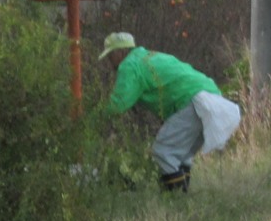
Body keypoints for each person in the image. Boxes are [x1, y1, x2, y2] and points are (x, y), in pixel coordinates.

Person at [100, 32, 241, 192]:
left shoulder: (130, 65)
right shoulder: (149, 57)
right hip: (211, 98)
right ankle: (181, 197)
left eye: (110, 56)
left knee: (164, 150)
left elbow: (119, 103)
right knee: (181, 154)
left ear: (119, 52)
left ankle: (175, 198)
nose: (110, 63)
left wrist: (97, 115)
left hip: (194, 101)